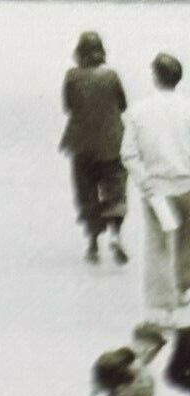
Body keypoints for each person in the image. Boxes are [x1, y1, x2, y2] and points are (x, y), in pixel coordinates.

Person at [121, 54, 190, 316]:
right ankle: (183, 288)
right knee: (186, 240)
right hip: (186, 186)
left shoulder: (139, 111)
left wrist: (144, 181)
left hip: (156, 190)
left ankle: (162, 303)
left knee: (158, 244)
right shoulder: (188, 109)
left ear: (155, 77)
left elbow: (128, 153)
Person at [60, 32, 129, 265]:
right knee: (115, 189)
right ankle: (116, 236)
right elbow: (122, 105)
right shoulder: (111, 76)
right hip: (112, 143)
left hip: (82, 144)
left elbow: (68, 107)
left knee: (86, 192)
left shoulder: (71, 76)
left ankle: (93, 245)